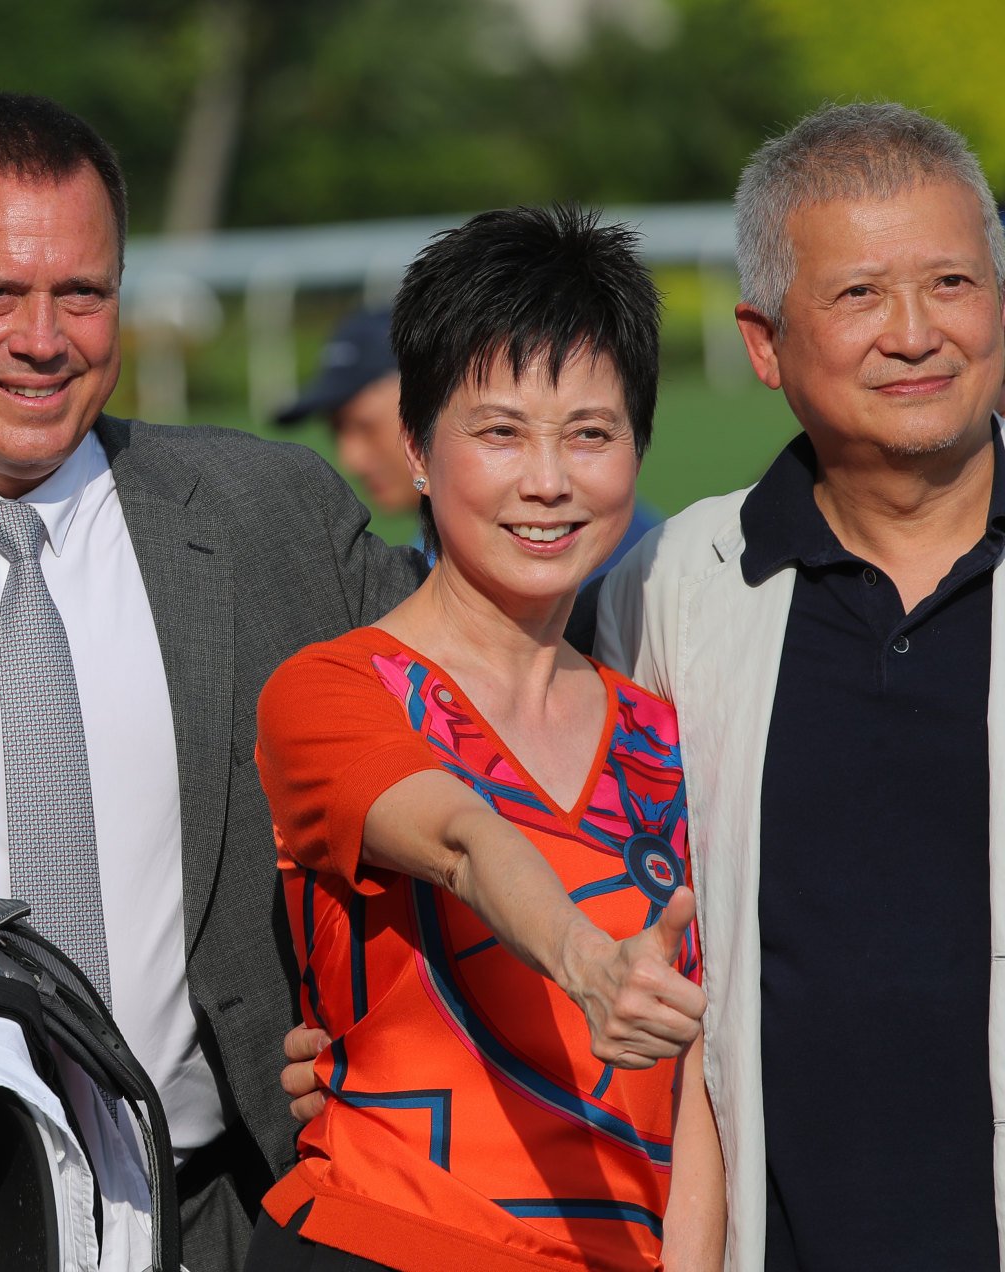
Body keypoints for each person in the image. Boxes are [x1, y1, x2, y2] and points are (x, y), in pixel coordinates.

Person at [0, 92, 425, 1269]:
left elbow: (488, 692)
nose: (42, 338)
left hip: (239, 1214)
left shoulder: (272, 518)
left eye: (81, 294)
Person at [254, 204, 718, 1272]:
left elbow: (705, 1087)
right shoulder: (332, 689)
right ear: (416, 450)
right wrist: (584, 962)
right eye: (498, 431)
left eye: (589, 434)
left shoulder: (670, 736)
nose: (547, 481)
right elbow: (460, 833)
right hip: (385, 1241)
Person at [596, 102, 1005, 1269]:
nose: (917, 334)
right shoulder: (669, 589)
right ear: (763, 341)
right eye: (859, 295)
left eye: (951, 284)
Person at [276, 303, 660, 582]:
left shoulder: (614, 559)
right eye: (337, 432)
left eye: (364, 426)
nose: (351, 459)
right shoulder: (442, 557)